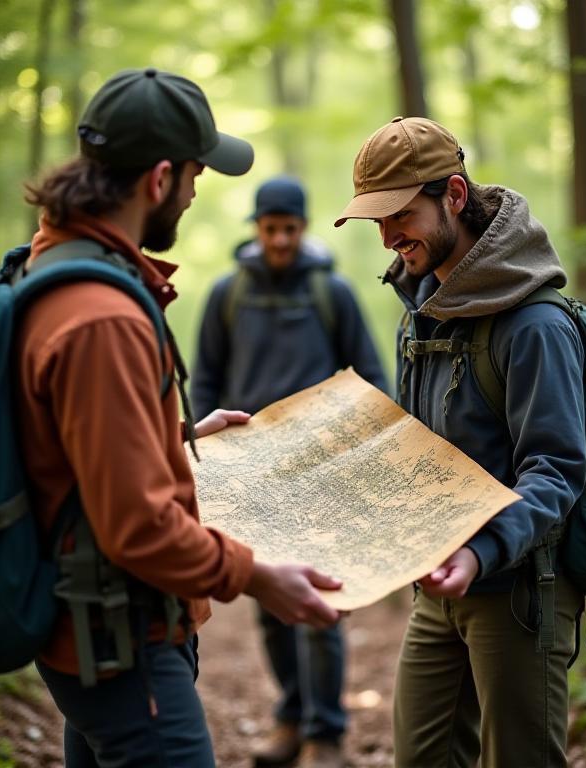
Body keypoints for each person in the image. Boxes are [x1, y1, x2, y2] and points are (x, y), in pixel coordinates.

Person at [16, 67, 342, 768]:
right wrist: (256, 576)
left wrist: (178, 438)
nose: (197, 193)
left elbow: (70, 446)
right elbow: (136, 526)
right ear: (161, 179)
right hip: (123, 638)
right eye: (196, 174)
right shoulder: (101, 316)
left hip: (89, 634)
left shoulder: (53, 265)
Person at [334, 117, 586, 768]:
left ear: (452, 194)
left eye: (399, 215)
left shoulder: (534, 325)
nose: (389, 237)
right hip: (436, 591)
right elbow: (415, 454)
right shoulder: (420, 309)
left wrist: (481, 552)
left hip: (518, 592)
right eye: (375, 222)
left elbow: (556, 471)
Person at [191, 175, 388, 768]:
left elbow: (373, 379)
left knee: (321, 605)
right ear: (257, 227)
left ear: (303, 229)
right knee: (273, 603)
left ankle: (325, 733)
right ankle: (292, 718)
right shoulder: (227, 294)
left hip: (322, 476)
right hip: (252, 478)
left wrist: (355, 451)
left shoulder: (333, 293)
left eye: (290, 229)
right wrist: (209, 460)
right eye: (271, 228)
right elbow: (204, 380)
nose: (280, 239)